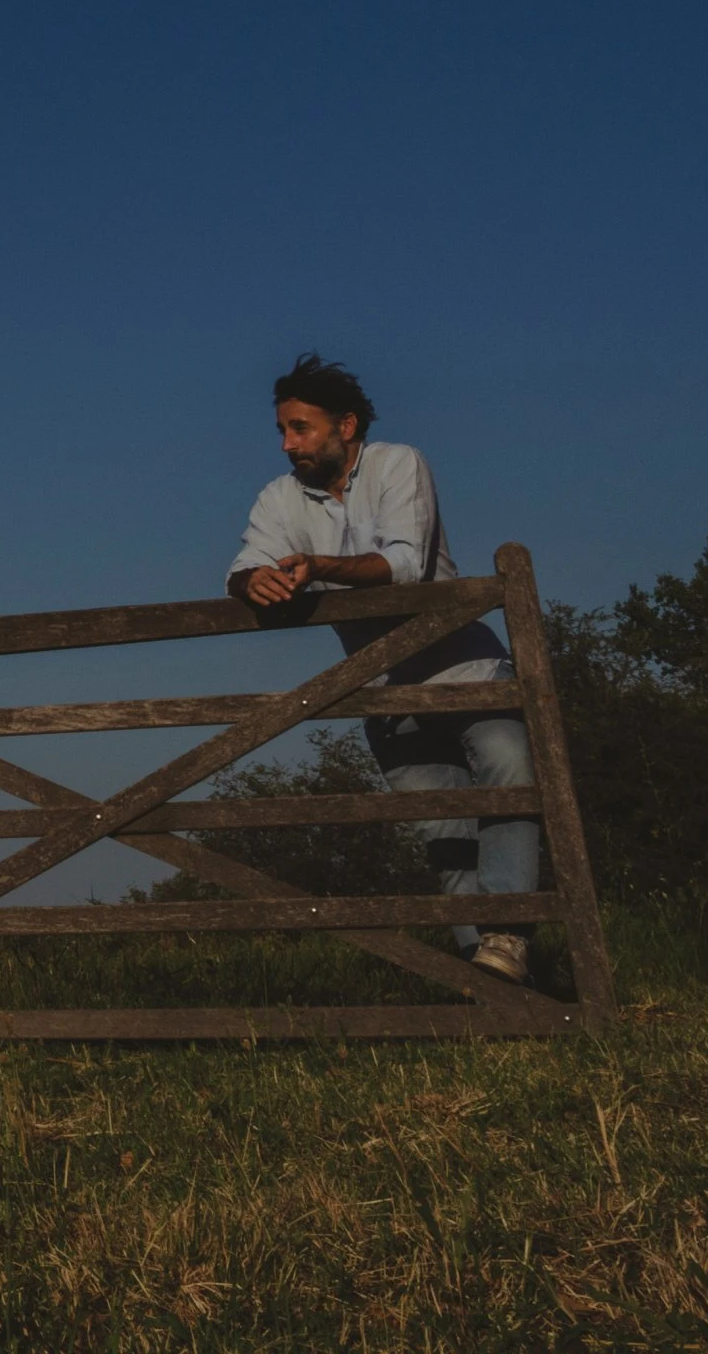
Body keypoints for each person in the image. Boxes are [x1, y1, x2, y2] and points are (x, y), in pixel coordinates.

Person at [226, 353, 539, 984]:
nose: (288, 444)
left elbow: (402, 565)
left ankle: (508, 933)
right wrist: (251, 582)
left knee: (510, 770)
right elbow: (242, 565)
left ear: (345, 425)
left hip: (466, 669)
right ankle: (487, 979)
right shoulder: (279, 497)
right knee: (441, 827)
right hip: (383, 690)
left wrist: (318, 566)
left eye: (301, 428)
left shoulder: (399, 463)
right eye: (283, 431)